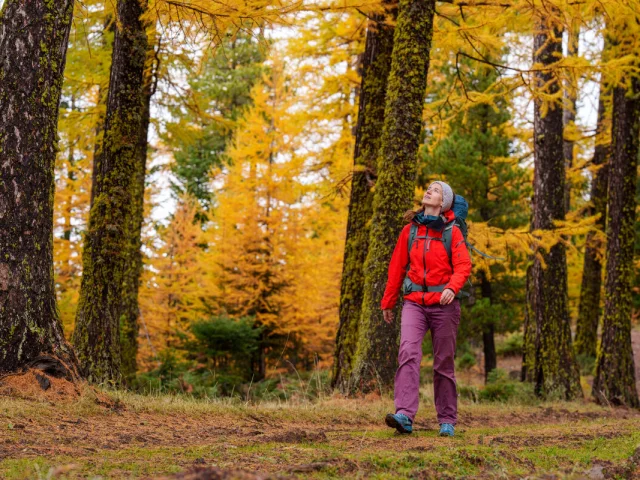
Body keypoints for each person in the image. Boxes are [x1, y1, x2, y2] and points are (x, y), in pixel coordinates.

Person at [381, 181, 471, 437]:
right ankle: (404, 415)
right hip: (414, 304)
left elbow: (464, 265)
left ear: (443, 203)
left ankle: (447, 420)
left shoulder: (452, 232)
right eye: (429, 188)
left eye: (436, 190)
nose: (429, 191)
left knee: (443, 362)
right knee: (408, 352)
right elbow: (396, 268)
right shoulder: (409, 231)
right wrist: (388, 301)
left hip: (445, 306)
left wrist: (451, 288)